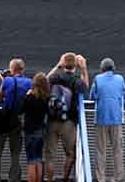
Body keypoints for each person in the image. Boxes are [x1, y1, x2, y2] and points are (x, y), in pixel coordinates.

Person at [45, 53, 89, 182]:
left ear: (63, 64)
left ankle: (50, 179)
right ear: (75, 65)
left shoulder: (55, 77)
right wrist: (84, 69)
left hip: (52, 120)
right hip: (69, 122)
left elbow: (45, 80)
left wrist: (57, 65)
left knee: (50, 156)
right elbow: (85, 87)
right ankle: (65, 178)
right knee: (70, 154)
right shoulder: (76, 80)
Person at [0, 59, 32, 182]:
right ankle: (14, 178)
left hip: (3, 119)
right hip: (17, 120)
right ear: (23, 70)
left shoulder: (8, 80)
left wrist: (4, 81)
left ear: (12, 69)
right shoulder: (29, 82)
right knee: (15, 153)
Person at [90, 58, 125, 182]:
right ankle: (119, 178)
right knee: (118, 150)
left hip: (101, 118)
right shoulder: (120, 79)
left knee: (101, 151)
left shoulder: (97, 79)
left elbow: (92, 96)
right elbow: (124, 94)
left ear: (102, 68)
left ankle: (100, 178)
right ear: (113, 68)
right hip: (116, 119)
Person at [22, 72, 50, 182]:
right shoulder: (46, 98)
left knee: (31, 161)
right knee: (38, 159)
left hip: (30, 131)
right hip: (41, 130)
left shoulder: (30, 98)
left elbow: (20, 110)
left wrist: (27, 96)